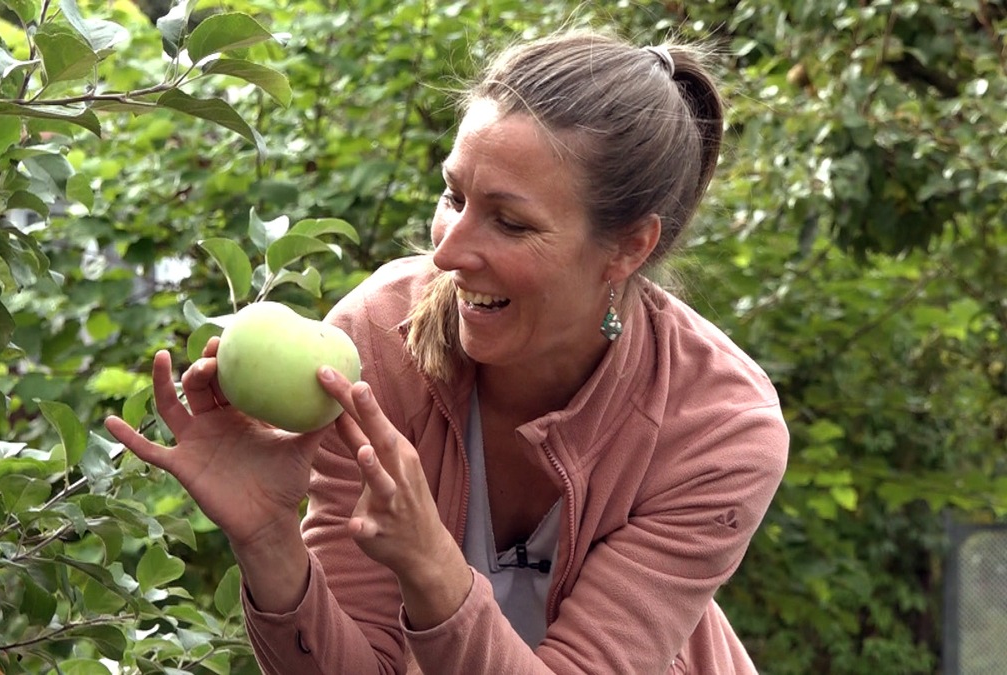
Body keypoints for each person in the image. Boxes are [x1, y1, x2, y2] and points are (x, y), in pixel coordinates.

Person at [106, 28, 789, 674]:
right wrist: (267, 540)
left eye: (510, 222)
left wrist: (434, 568)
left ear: (628, 246)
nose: (445, 251)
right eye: (452, 194)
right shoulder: (375, 341)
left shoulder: (719, 425)